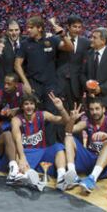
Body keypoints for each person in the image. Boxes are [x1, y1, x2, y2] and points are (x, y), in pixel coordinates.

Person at [14, 16, 74, 145]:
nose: (27, 30)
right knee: (32, 114)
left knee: (51, 115)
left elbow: (70, 48)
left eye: (31, 27)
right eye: (27, 27)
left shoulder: (51, 40)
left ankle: (50, 145)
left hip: (50, 84)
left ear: (39, 28)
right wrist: (25, 82)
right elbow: (17, 64)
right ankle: (33, 143)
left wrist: (63, 35)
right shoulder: (25, 43)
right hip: (33, 84)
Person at [11, 93, 72, 191]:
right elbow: (17, 138)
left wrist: (61, 109)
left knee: (58, 147)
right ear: (22, 106)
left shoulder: (42, 115)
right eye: (26, 104)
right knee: (17, 154)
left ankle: (61, 178)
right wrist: (22, 157)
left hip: (42, 152)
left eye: (31, 103)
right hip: (26, 153)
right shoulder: (16, 119)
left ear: (35, 106)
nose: (29, 106)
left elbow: (65, 121)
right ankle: (29, 177)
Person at [63, 99, 107, 193]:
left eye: (97, 109)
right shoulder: (88, 122)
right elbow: (68, 131)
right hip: (92, 160)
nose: (94, 112)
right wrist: (72, 120)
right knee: (68, 137)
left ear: (103, 109)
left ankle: (92, 178)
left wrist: (106, 135)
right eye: (92, 109)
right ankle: (72, 174)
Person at [80, 27, 107, 119]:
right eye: (92, 37)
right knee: (92, 129)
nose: (91, 39)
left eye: (94, 37)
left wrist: (101, 89)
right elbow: (82, 73)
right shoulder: (87, 54)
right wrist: (86, 84)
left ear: (103, 40)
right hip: (91, 100)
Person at [56, 15, 90, 111]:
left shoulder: (86, 43)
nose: (77, 29)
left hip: (77, 84)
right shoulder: (57, 39)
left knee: (75, 113)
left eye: (79, 27)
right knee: (59, 113)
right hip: (60, 82)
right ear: (68, 26)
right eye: (75, 26)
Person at [0, 18, 24, 90]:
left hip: (23, 83)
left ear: (20, 30)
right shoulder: (1, 44)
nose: (14, 33)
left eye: (16, 30)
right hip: (7, 85)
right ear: (7, 31)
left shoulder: (26, 42)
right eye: (11, 30)